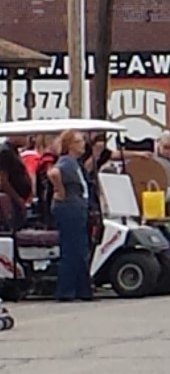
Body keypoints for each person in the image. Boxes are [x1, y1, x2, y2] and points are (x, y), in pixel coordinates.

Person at [48, 129, 93, 302]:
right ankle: (66, 291)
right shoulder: (66, 162)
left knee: (80, 249)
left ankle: (83, 290)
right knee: (72, 249)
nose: (83, 145)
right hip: (69, 208)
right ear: (70, 145)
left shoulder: (75, 163)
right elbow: (53, 173)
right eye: (79, 142)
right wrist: (60, 190)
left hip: (77, 207)